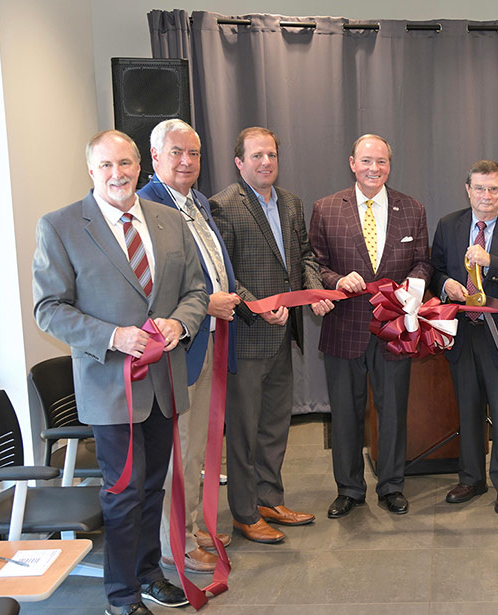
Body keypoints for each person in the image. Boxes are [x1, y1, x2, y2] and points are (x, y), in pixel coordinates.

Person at [33, 130, 208, 615]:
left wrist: (181, 323)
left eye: (126, 163)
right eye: (107, 165)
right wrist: (113, 336)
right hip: (112, 387)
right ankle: (120, 593)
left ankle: (149, 573)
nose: (118, 174)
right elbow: (49, 309)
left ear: (140, 165)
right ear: (91, 170)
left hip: (164, 382)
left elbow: (196, 289)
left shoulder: (169, 221)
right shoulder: (61, 226)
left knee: (153, 485)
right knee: (123, 491)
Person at [210, 127, 332, 544]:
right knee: (243, 431)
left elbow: (306, 256)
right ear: (240, 162)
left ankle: (269, 499)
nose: (266, 162)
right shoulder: (223, 206)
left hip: (285, 336)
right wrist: (259, 309)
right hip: (247, 338)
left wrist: (313, 292)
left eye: (272, 155)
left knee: (275, 427)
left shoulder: (292, 204)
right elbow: (225, 274)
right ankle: (244, 514)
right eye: (257, 155)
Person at [309, 134, 432, 518]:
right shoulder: (327, 208)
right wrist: (334, 282)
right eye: (366, 161)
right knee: (345, 413)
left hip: (393, 329)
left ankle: (392, 485)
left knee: (393, 410)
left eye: (380, 161)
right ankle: (348, 489)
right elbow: (315, 263)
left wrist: (411, 290)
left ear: (389, 166)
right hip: (343, 329)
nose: (373, 168)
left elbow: (424, 263)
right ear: (352, 163)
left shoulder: (412, 209)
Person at [138, 119, 237, 572]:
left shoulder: (197, 201)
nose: (186, 161)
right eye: (176, 152)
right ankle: (170, 544)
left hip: (212, 342)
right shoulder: (146, 207)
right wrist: (204, 304)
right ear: (154, 157)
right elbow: (153, 287)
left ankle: (192, 525)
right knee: (177, 450)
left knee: (197, 450)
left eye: (193, 154)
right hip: (178, 348)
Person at [431, 160, 498, 514]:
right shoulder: (450, 225)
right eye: (479, 188)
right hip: (464, 333)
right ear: (468, 190)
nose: (486, 196)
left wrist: (490, 260)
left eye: (493, 189)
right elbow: (433, 268)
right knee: (467, 410)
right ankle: (471, 478)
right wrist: (444, 284)